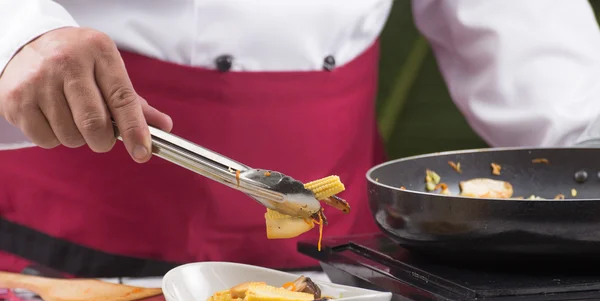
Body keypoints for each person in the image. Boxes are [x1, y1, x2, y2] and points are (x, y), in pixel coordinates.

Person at [1, 1, 600, 277]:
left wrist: (588, 140)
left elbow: (550, 72)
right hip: (65, 250)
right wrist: (19, 36)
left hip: (342, 260)